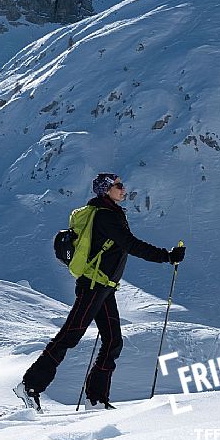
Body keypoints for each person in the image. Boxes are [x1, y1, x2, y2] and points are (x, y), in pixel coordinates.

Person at [15, 172, 186, 411]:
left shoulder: (109, 213)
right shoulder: (107, 216)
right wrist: (166, 257)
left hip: (103, 287)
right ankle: (30, 386)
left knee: (113, 341)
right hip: (94, 286)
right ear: (107, 190)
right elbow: (131, 245)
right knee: (70, 336)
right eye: (118, 185)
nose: (123, 188)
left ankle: (96, 399)